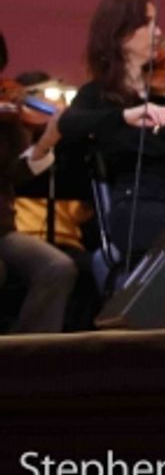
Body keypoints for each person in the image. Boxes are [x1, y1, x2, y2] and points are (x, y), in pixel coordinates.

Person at [57, 0, 165, 262]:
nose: (158, 32)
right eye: (148, 24)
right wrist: (124, 116)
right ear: (121, 34)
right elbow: (68, 123)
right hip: (135, 207)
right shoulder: (97, 95)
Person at [0, 109, 75, 334]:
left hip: (2, 230)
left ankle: (28, 350)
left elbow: (14, 171)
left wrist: (44, 143)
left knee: (58, 266)